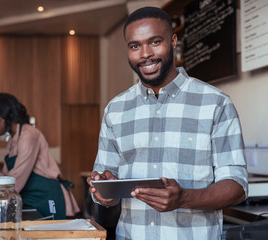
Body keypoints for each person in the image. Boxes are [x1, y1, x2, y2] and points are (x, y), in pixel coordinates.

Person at [87, 6, 248, 240]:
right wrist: (104, 192)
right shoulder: (115, 110)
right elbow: (105, 184)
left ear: (173, 41)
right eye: (135, 46)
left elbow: (237, 186)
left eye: (154, 42)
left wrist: (184, 198)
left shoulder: (216, 103)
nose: (145, 54)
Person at [0, 93, 79, 219]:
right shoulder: (13, 139)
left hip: (47, 198)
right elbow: (7, 176)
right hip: (31, 199)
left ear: (2, 117)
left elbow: (18, 176)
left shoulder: (29, 135)